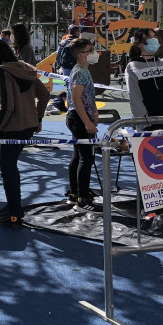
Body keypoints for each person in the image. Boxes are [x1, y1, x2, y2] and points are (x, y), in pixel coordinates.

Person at [0, 43, 50, 228]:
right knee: (10, 167)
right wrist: (38, 117)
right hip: (28, 125)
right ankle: (13, 205)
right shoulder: (26, 68)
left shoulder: (2, 72)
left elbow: (7, 106)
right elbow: (45, 94)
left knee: (7, 168)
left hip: (12, 127)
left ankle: (15, 213)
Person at [65, 38, 100, 211]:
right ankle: (82, 197)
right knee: (87, 157)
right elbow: (76, 98)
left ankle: (75, 191)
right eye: (90, 50)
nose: (94, 53)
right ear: (81, 55)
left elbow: (85, 97)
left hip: (80, 116)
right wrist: (87, 122)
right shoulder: (80, 72)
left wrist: (94, 111)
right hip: (78, 118)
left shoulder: (82, 70)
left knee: (78, 155)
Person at [124, 28, 163, 128]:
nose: (154, 40)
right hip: (148, 121)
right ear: (139, 44)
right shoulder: (133, 66)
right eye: (149, 37)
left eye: (155, 37)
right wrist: (142, 121)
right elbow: (134, 96)